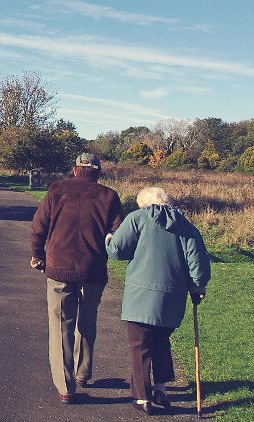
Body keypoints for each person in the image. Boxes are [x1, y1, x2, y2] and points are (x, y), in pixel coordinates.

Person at [105, 187, 210, 415]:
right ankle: (160, 388)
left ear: (144, 203)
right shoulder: (185, 225)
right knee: (161, 341)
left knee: (140, 345)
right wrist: (198, 286)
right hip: (172, 298)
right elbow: (198, 264)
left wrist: (109, 238)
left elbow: (116, 251)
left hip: (140, 297)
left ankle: (142, 397)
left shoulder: (137, 218)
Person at [30, 152, 123, 404]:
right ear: (98, 173)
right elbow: (118, 234)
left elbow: (39, 226)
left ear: (74, 170)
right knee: (88, 320)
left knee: (61, 325)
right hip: (93, 270)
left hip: (59, 268)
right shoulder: (109, 196)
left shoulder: (56, 190)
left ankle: (65, 386)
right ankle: (83, 372)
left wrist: (37, 255)